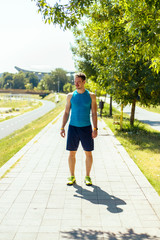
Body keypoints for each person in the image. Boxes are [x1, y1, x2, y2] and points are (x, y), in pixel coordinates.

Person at [60, 72, 98, 186]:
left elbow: (94, 113)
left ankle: (87, 177)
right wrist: (62, 127)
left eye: (78, 82)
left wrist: (95, 128)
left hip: (86, 128)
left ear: (84, 82)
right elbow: (66, 112)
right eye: (75, 82)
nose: (76, 84)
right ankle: (72, 176)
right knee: (72, 153)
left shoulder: (91, 96)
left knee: (88, 153)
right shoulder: (70, 96)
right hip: (73, 128)